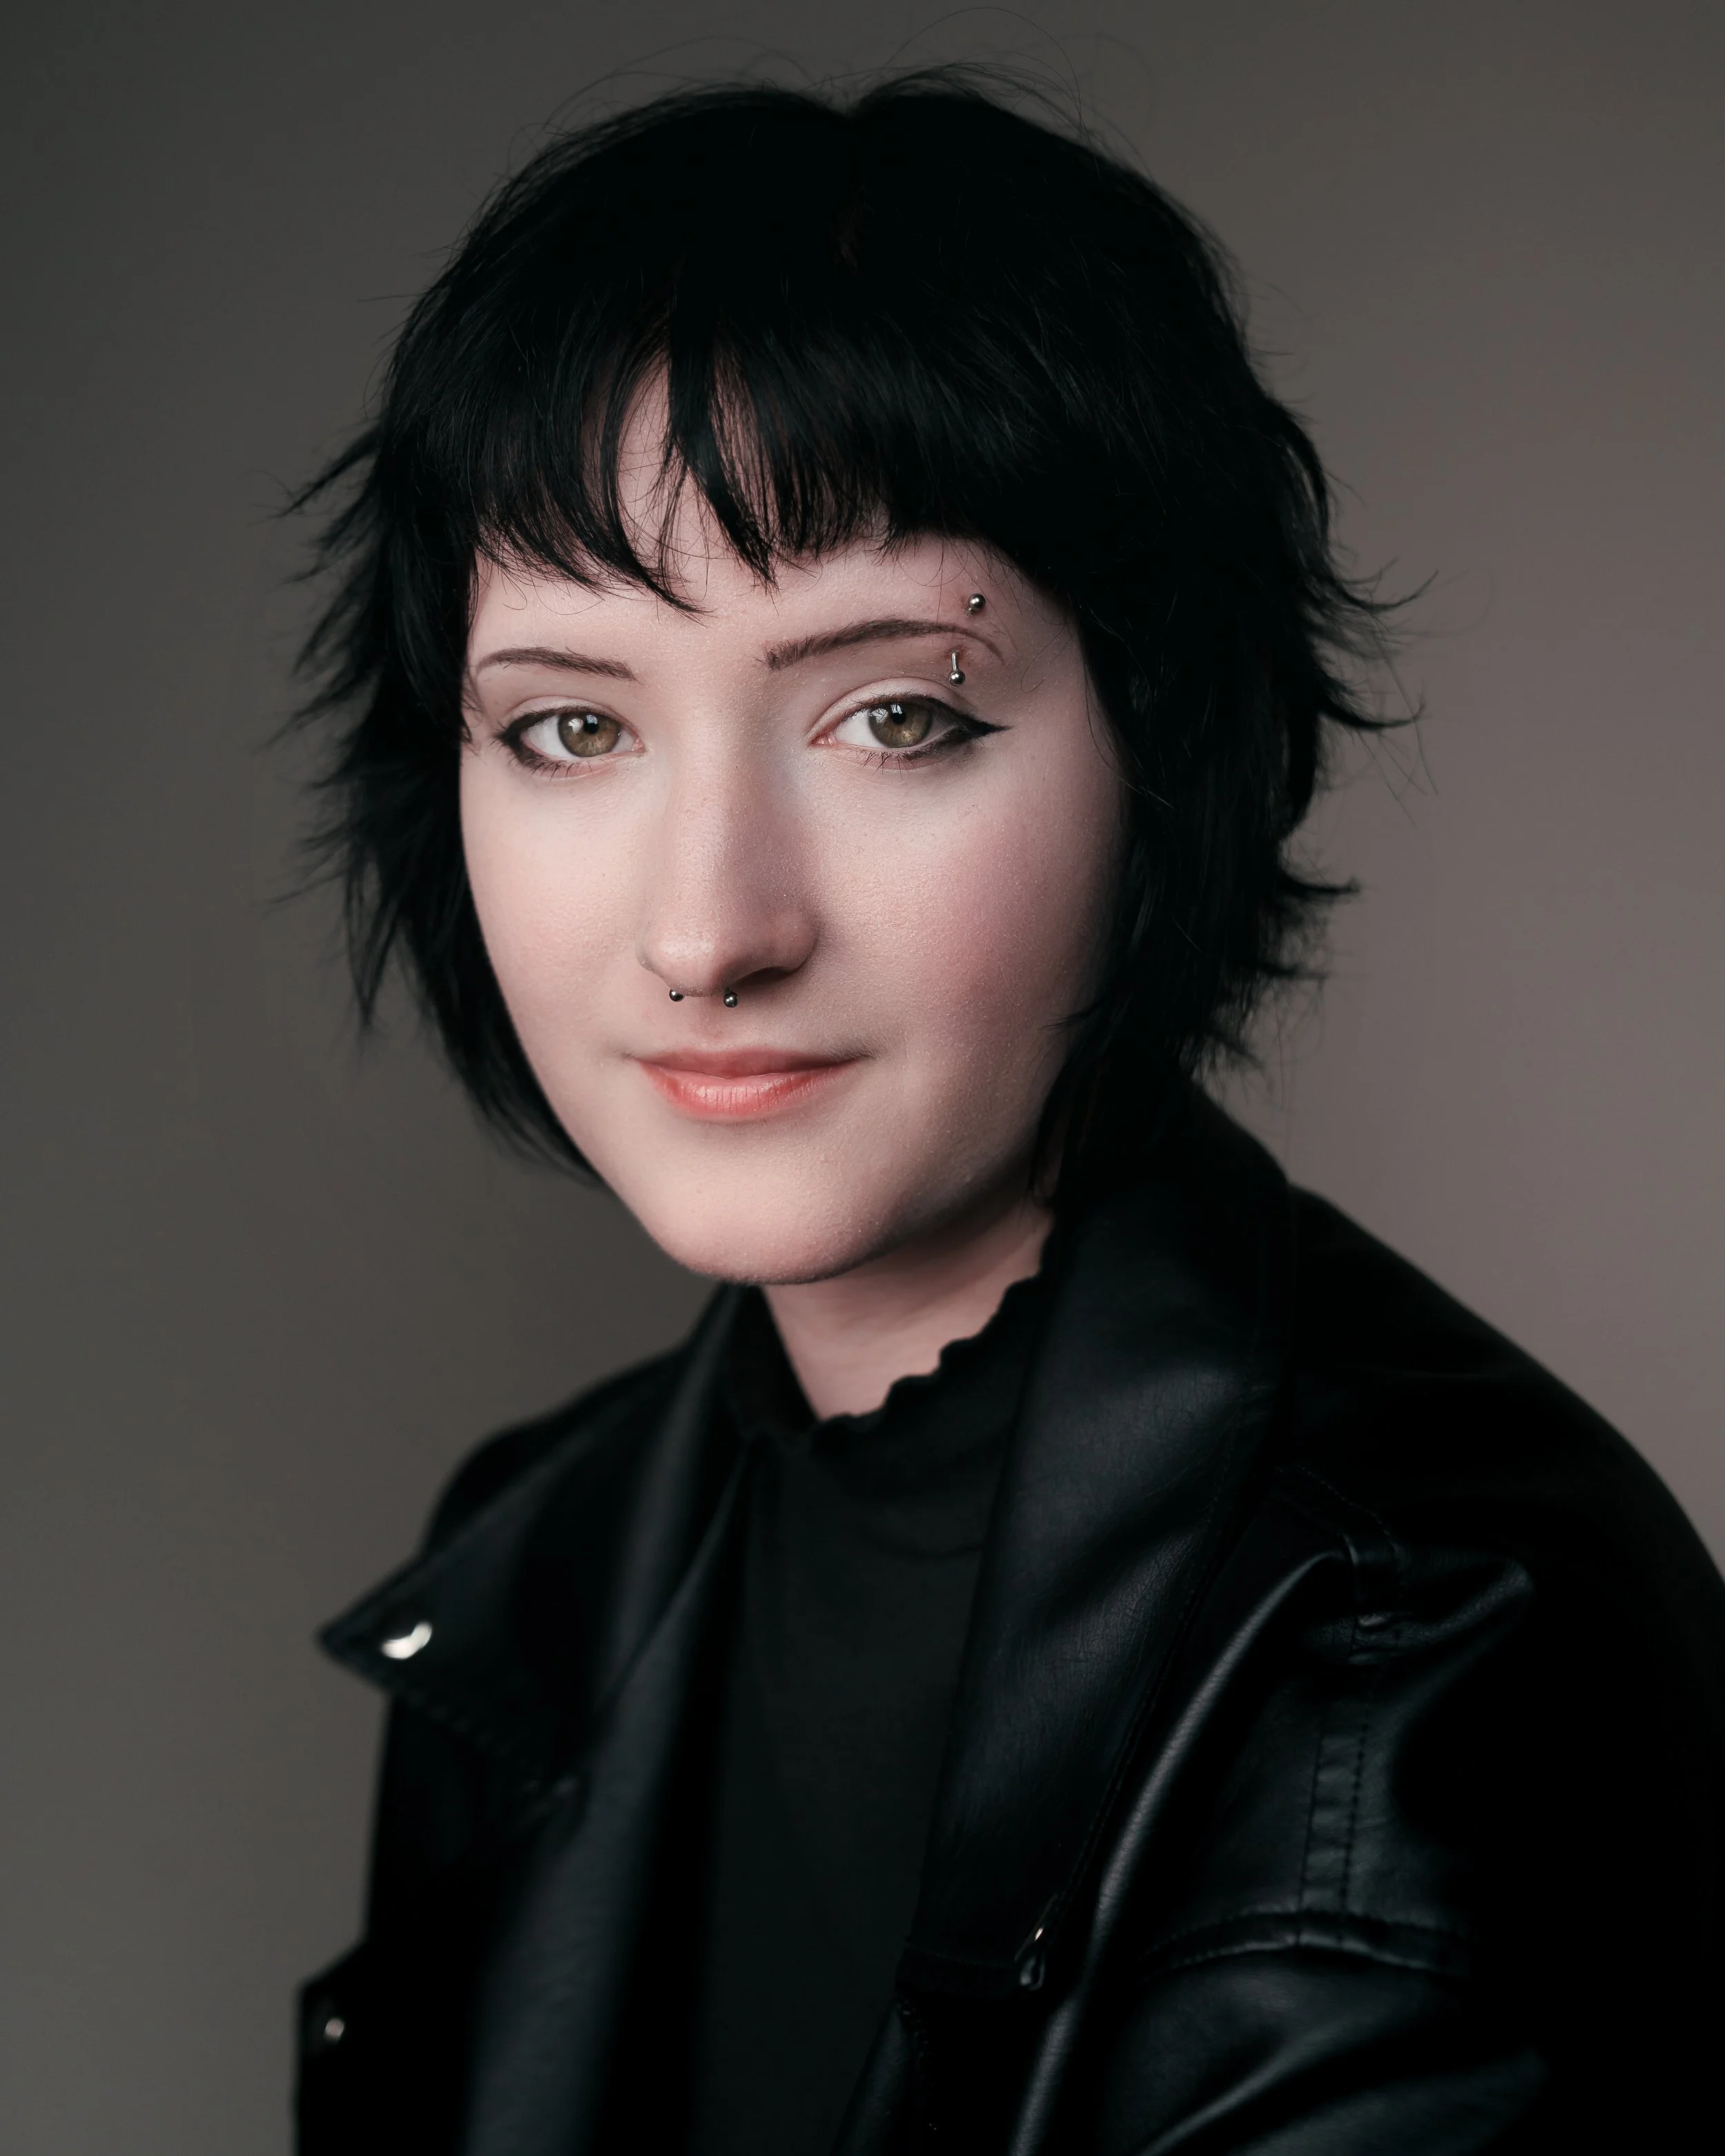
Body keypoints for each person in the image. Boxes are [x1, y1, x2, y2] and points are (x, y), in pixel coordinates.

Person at [290, 74, 1725, 2156]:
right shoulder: (546, 1554)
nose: (708, 926)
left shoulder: (1430, 1638)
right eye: (571, 724)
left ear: (1162, 745)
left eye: (895, 714)